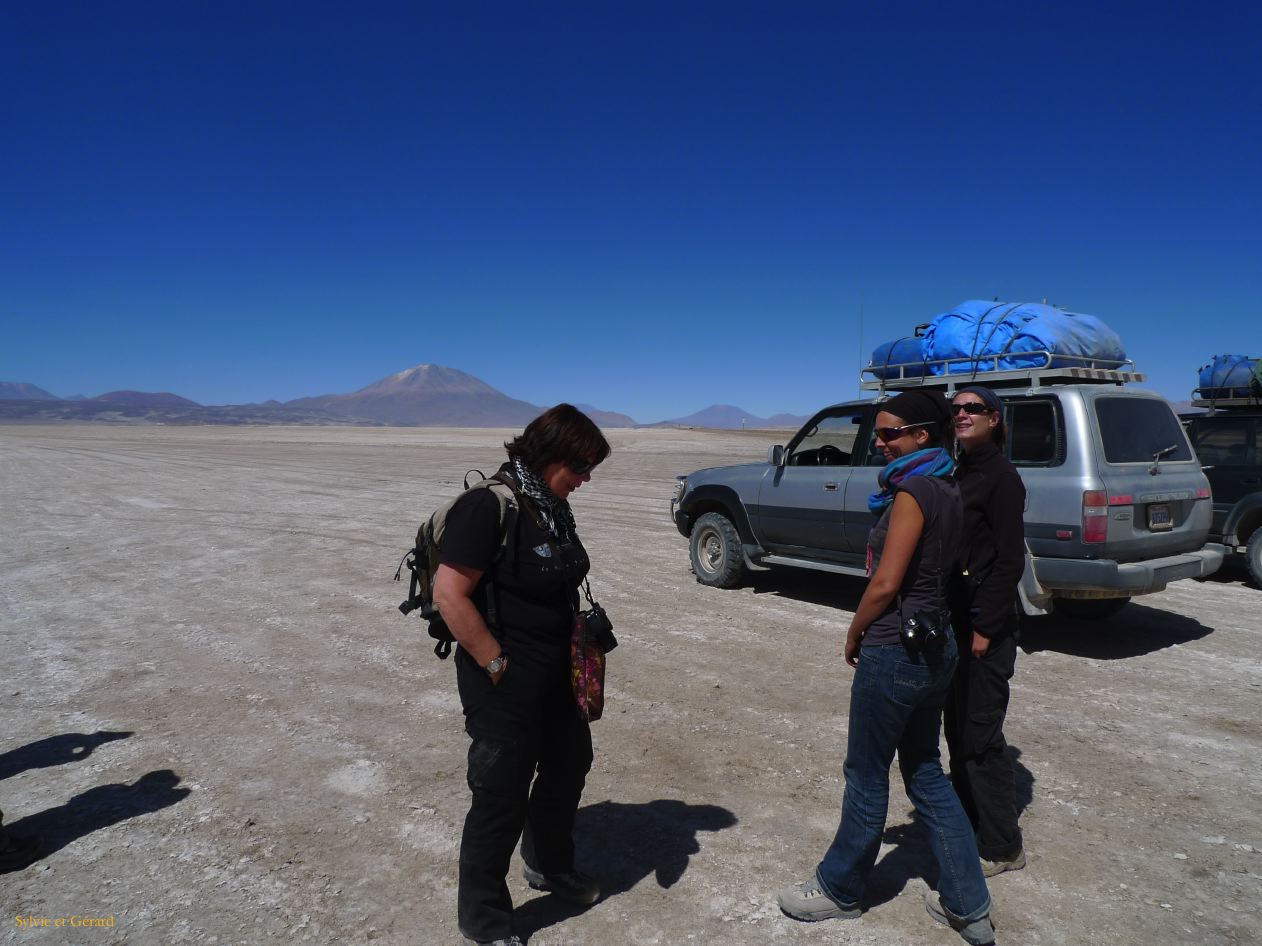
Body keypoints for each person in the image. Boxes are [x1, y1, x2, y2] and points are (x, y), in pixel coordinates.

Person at [778, 389, 996, 946]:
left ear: (923, 435)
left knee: (867, 772)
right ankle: (969, 907)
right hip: (935, 645)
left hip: (894, 647)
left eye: (889, 433)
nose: (878, 443)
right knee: (924, 769)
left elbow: (886, 582)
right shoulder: (949, 484)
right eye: (878, 433)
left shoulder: (912, 492)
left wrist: (854, 629)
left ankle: (839, 888)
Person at [433, 403, 611, 946]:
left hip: (556, 675)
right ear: (553, 455)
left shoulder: (550, 506)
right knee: (500, 794)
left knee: (568, 764)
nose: (585, 481)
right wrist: (497, 665)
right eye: (581, 469)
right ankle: (484, 921)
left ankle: (548, 865)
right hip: (502, 681)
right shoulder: (489, 506)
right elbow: (449, 595)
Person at [945, 385, 1027, 876]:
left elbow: (1008, 559)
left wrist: (985, 627)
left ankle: (1002, 846)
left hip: (984, 627)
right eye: (955, 409)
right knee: (955, 729)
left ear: (994, 419)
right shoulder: (963, 468)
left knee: (979, 735)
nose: (960, 414)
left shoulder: (1002, 478)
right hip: (957, 621)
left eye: (972, 408)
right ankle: (969, 826)